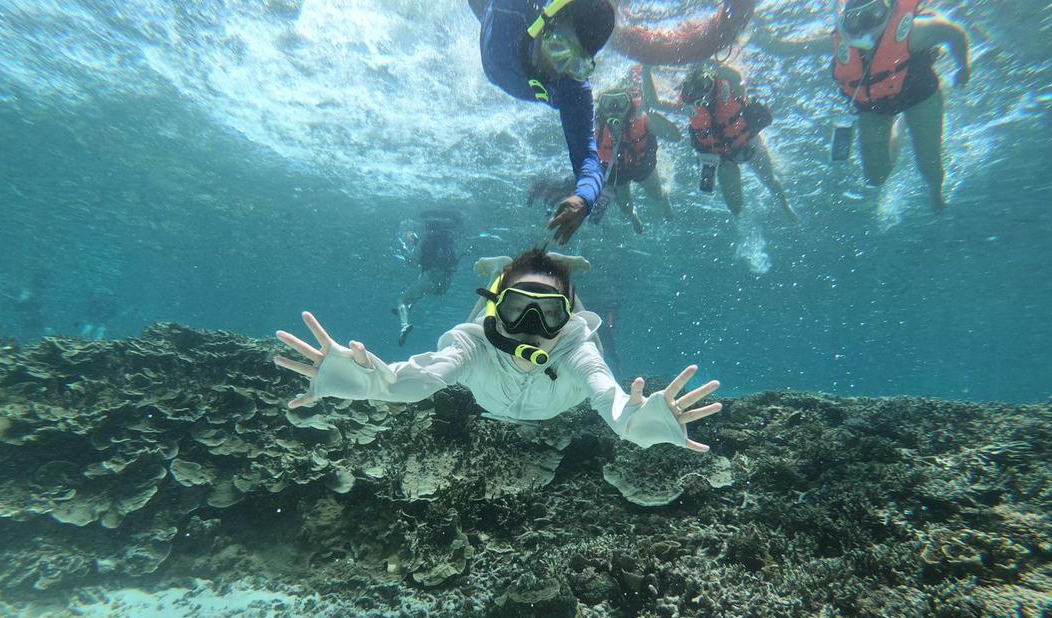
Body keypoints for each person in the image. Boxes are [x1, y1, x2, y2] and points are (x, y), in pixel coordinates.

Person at [275, 248, 722, 452]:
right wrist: (373, 379)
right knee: (478, 321)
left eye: (546, 313)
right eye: (515, 309)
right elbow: (421, 377)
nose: (529, 328)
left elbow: (610, 398)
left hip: (563, 352)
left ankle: (550, 277)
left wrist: (638, 421)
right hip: (487, 330)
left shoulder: (575, 349)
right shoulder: (473, 343)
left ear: (564, 318)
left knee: (596, 342)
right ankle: (502, 271)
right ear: (498, 311)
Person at [757, 0, 970, 210]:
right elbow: (784, 49)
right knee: (875, 178)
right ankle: (902, 123)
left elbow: (954, 33)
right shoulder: (840, 42)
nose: (865, 27)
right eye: (854, 19)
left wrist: (963, 67)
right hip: (875, 106)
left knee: (929, 167)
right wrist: (749, 32)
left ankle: (936, 192)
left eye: (873, 13)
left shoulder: (915, 32)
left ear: (889, 8)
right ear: (843, 21)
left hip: (919, 93)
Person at [469, 0, 616, 244]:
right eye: (558, 50)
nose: (558, 72)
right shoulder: (510, 9)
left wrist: (584, 199)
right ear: (546, 23)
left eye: (576, 65)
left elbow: (589, 161)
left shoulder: (571, 88)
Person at [644, 63, 798, 221]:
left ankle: (784, 205)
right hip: (723, 158)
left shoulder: (732, 89)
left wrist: (708, 59)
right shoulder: (688, 107)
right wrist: (646, 68)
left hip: (749, 145)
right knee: (735, 208)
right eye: (694, 88)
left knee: (769, 181)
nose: (701, 92)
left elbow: (736, 76)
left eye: (705, 84)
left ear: (713, 79)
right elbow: (653, 102)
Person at [594, 83, 680, 233]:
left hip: (641, 164)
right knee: (625, 208)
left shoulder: (643, 118)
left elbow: (675, 136)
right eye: (607, 103)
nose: (614, 109)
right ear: (601, 107)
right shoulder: (596, 125)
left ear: (629, 104)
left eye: (620, 102)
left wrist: (653, 115)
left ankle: (665, 198)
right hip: (617, 169)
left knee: (656, 195)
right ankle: (633, 216)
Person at [393, 211, 463, 346]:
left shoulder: (426, 238)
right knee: (418, 291)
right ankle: (406, 309)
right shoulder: (446, 239)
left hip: (431, 277)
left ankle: (404, 325)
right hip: (446, 280)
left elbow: (412, 261)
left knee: (402, 298)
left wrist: (403, 247)